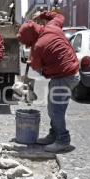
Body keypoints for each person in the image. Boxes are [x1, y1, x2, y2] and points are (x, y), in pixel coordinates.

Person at [17, 11, 80, 152]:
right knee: (56, 108)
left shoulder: (39, 46)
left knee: (55, 111)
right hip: (72, 74)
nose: (29, 46)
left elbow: (38, 68)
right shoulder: (53, 27)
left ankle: (63, 140)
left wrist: (31, 61)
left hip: (63, 77)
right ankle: (54, 135)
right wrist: (43, 14)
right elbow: (59, 16)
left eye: (28, 43)